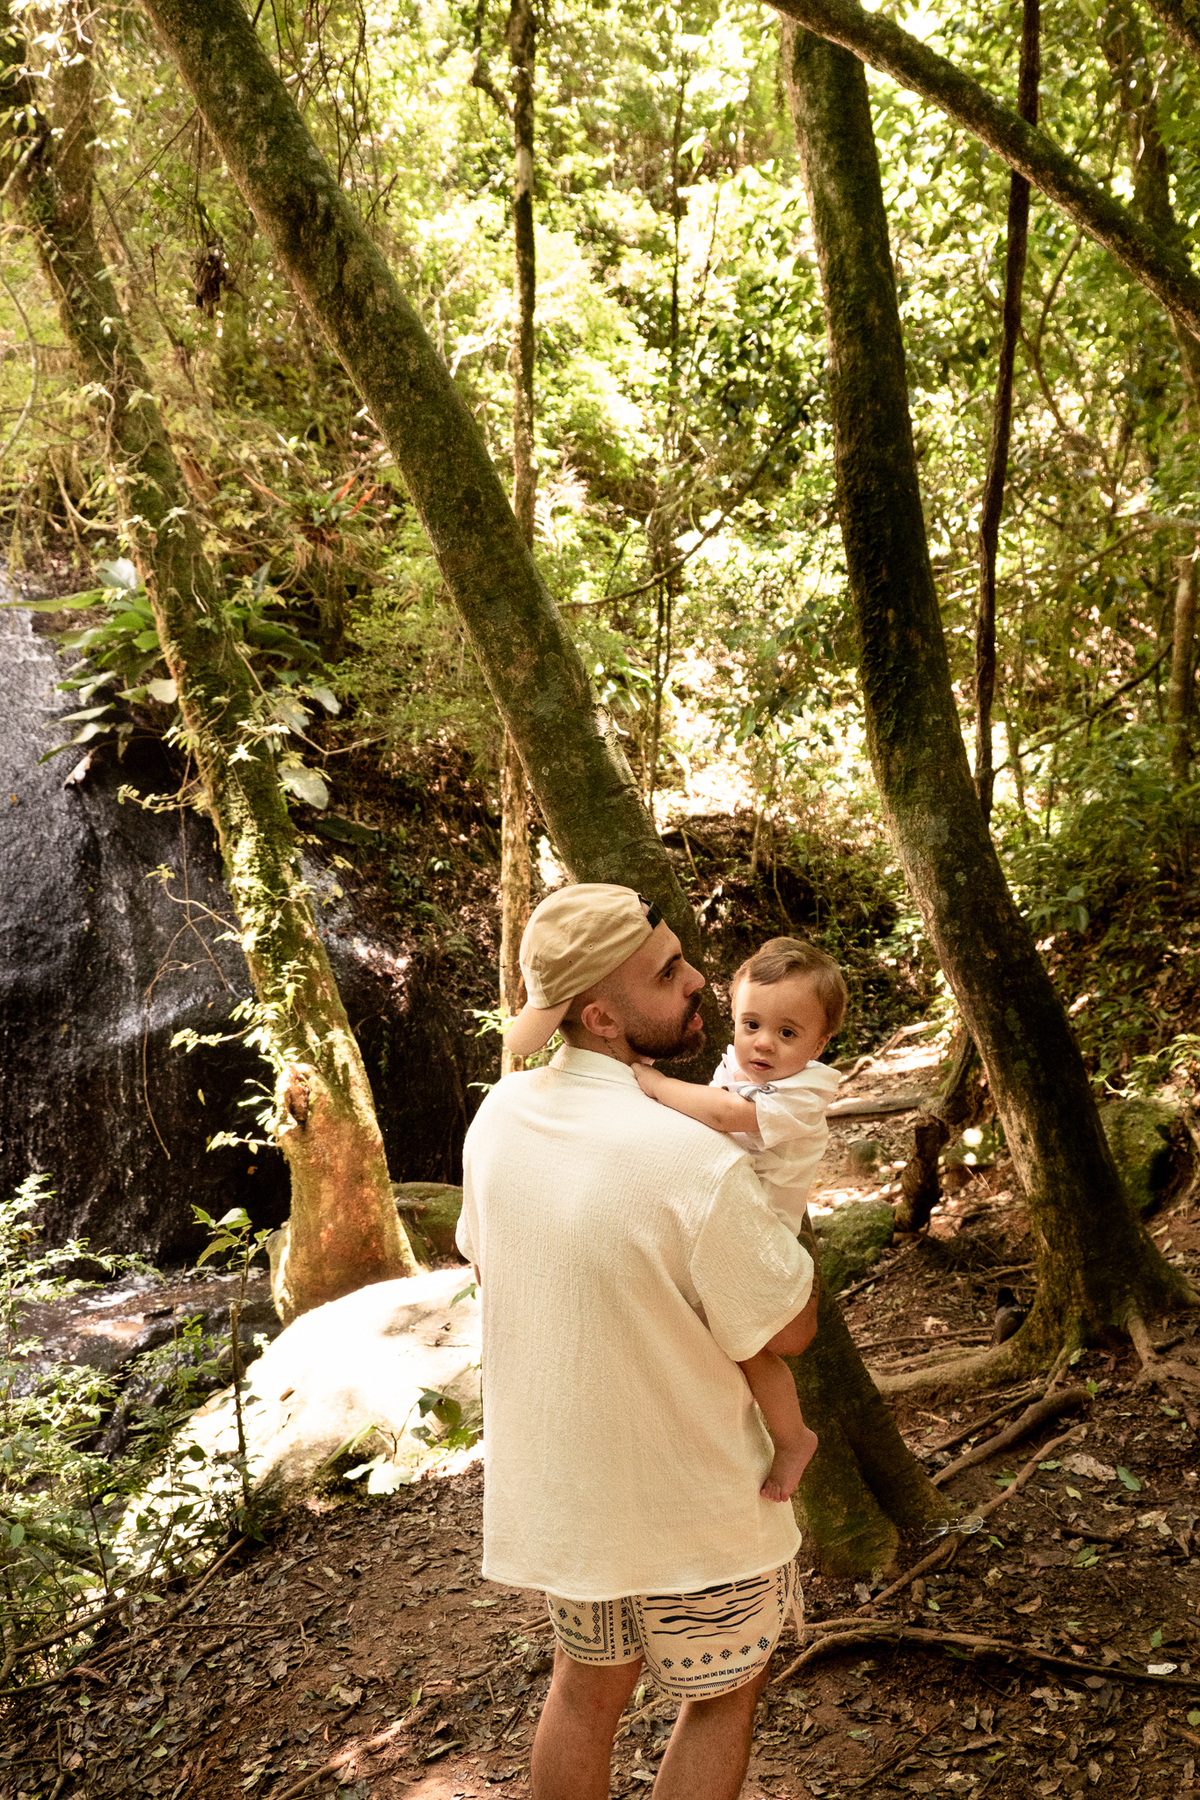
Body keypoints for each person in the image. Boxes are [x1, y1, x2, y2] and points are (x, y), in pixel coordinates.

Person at [456, 884, 819, 1800]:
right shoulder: (687, 1158)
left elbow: (491, 1270)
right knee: (723, 1699)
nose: (699, 980)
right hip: (697, 1499)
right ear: (601, 1015)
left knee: (584, 1693)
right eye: (669, 973)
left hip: (575, 1497)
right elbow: (793, 1328)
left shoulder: (499, 1117)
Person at [632, 937, 847, 1502]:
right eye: (751, 1024)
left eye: (787, 1033)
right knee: (724, 1343)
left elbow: (727, 1116)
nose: (763, 1044)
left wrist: (652, 1084)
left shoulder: (804, 1094)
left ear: (820, 1043)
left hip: (763, 1236)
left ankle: (793, 1436)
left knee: (752, 1346)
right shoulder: (739, 1066)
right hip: (727, 1225)